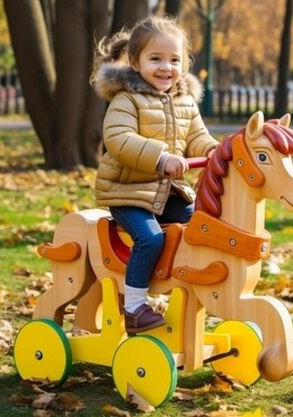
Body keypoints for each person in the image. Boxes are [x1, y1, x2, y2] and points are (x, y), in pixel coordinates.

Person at [90, 15, 219, 334]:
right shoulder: (126, 99)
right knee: (150, 238)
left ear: (184, 64)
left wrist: (212, 151)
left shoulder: (185, 102)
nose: (166, 67)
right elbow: (119, 140)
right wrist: (161, 158)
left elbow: (196, 137)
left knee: (201, 229)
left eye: (174, 60)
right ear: (135, 62)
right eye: (156, 59)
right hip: (127, 193)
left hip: (167, 192)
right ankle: (134, 306)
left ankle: (190, 291)